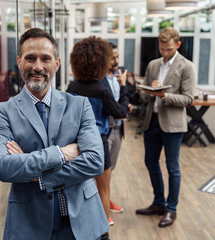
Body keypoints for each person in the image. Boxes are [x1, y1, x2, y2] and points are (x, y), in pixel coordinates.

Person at [0, 28, 109, 240]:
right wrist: (62, 154)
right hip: (30, 225)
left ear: (57, 63)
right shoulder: (4, 111)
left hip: (82, 223)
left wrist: (36, 174)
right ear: (19, 62)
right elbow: (3, 167)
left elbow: (95, 161)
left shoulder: (80, 105)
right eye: (30, 58)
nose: (37, 66)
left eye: (45, 58)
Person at [67, 36, 130, 239]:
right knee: (103, 191)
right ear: (102, 61)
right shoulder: (101, 90)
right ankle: (103, 234)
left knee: (80, 190)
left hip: (75, 145)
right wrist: (124, 87)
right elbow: (120, 112)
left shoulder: (72, 87)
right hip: (98, 145)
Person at [135, 27, 196, 228]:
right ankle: (159, 203)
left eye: (169, 49)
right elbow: (144, 95)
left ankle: (171, 209)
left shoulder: (187, 67)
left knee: (172, 167)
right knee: (150, 163)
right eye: (162, 49)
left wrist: (164, 95)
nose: (165, 52)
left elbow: (188, 99)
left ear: (178, 45)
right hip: (151, 121)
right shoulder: (153, 65)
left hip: (172, 125)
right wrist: (148, 90)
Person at [99, 42, 132, 215]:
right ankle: (102, 207)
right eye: (112, 57)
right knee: (103, 171)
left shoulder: (117, 76)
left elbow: (121, 104)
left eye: (118, 56)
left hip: (119, 128)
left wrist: (127, 106)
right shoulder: (99, 80)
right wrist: (122, 109)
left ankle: (106, 200)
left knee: (110, 170)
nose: (116, 60)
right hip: (106, 130)